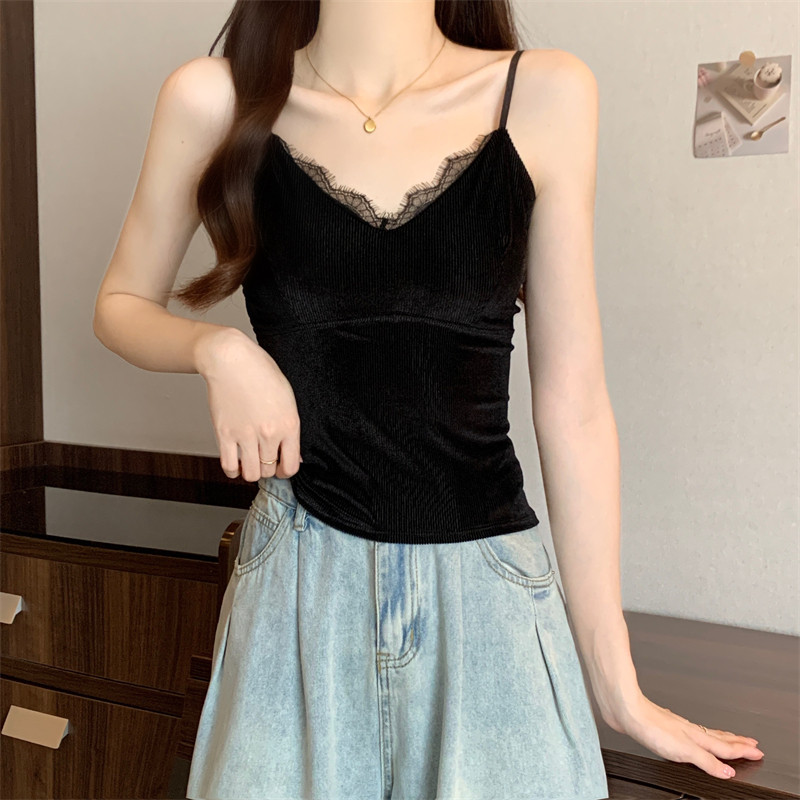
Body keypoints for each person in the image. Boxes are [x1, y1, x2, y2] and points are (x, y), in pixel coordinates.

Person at [93, 2, 764, 798]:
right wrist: (218, 350)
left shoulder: (545, 94)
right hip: (298, 584)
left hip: (489, 597)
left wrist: (615, 681)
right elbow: (120, 303)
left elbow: (575, 402)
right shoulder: (215, 99)